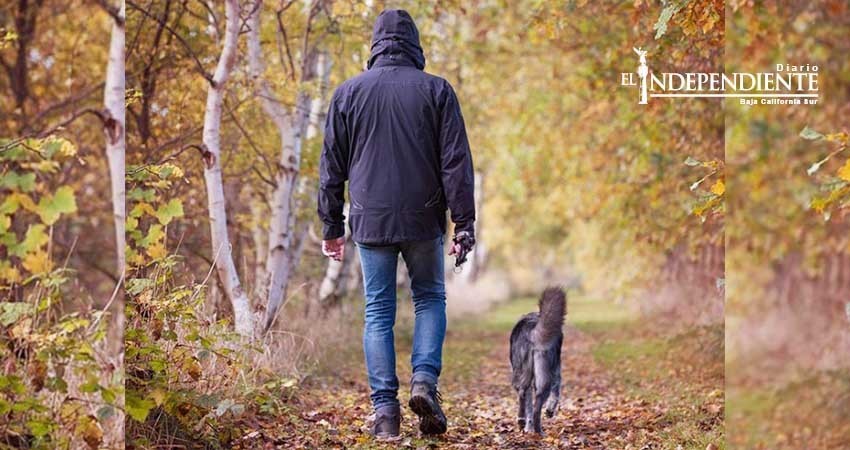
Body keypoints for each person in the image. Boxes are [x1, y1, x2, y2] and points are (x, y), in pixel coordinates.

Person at [317, 9, 476, 439]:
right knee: (429, 299)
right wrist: (464, 222)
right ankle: (424, 381)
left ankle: (385, 413)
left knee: (377, 312)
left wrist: (332, 225)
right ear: (414, 44)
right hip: (424, 217)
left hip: (370, 220)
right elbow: (455, 162)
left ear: (375, 44)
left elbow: (331, 166)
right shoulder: (437, 91)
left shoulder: (348, 93)